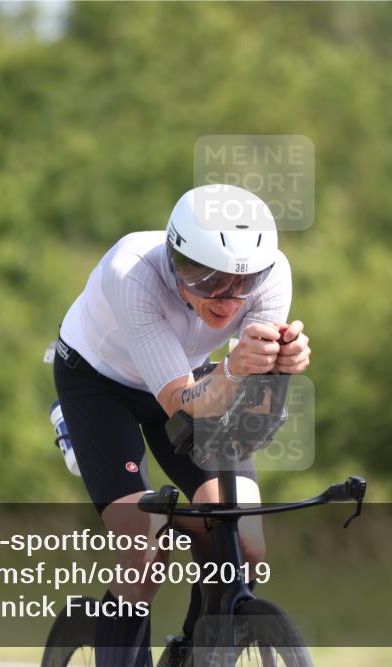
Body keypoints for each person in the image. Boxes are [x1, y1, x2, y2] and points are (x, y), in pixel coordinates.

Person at [52, 183, 311, 665]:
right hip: (100, 383)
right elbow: (185, 405)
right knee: (142, 546)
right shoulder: (132, 272)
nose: (227, 299)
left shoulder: (273, 278)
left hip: (194, 376)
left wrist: (280, 369)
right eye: (206, 278)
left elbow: (252, 421)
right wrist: (236, 369)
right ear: (174, 259)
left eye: (243, 282)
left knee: (244, 542)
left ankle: (194, 653)